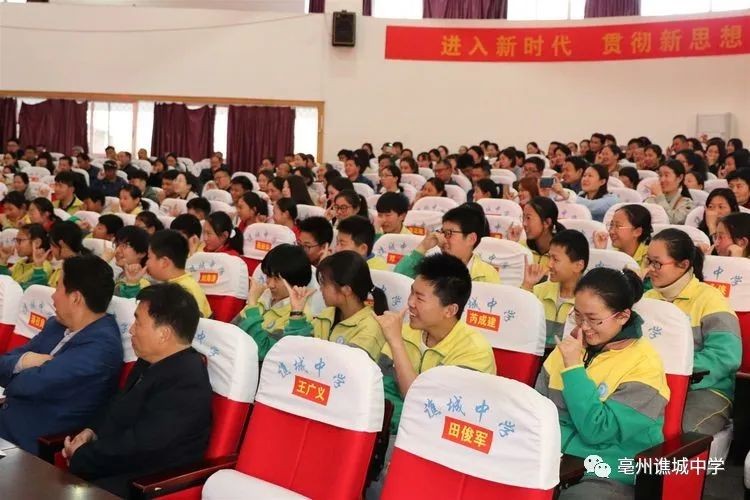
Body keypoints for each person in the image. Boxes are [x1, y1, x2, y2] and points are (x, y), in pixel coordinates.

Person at [65, 283, 211, 498]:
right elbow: (118, 405)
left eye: (138, 322)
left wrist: (82, 456)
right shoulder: (150, 360)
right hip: (115, 465)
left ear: (164, 334)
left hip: (144, 483)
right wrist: (91, 431)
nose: (131, 329)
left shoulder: (186, 382)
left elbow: (142, 446)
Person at [537, 268, 668, 499]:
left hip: (608, 472)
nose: (584, 327)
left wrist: (574, 369)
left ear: (623, 316)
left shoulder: (645, 365)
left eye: (594, 319)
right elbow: (537, 412)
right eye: (578, 316)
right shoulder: (567, 349)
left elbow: (597, 431)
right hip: (553, 461)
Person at [0, 254, 123, 453]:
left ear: (75, 298)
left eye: (58, 287)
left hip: (28, 446)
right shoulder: (56, 325)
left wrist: (15, 368)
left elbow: (31, 384)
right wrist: (24, 361)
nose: (52, 296)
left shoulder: (102, 348)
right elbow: (5, 361)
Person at [376, 253, 495, 434]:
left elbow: (428, 407)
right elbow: (382, 390)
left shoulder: (475, 351)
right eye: (411, 292)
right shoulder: (405, 331)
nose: (410, 302)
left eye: (419, 298)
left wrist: (396, 343)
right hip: (391, 429)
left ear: (450, 310)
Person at [644, 229, 740, 434]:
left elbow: (726, 356)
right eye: (648, 261)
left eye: (657, 263)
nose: (650, 269)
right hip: (651, 385)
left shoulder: (710, 299)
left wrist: (676, 372)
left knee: (674, 437)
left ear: (684, 264)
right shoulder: (647, 299)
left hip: (704, 390)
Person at [285, 251, 387, 362]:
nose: (321, 289)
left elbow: (346, 366)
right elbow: (298, 349)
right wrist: (297, 312)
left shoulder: (370, 328)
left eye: (324, 283)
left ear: (346, 290)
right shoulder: (327, 314)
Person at [232, 245, 313, 360]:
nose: (270, 284)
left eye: (277, 279)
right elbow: (231, 330)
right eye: (268, 276)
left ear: (295, 280)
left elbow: (264, 352)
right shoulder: (262, 297)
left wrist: (252, 305)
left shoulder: (300, 315)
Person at [395, 205, 500, 283]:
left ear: (471, 239)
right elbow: (399, 280)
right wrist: (422, 247)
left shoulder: (487, 275)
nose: (443, 239)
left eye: (449, 233)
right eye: (442, 232)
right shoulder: (433, 265)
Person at [523, 230, 589, 348]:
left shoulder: (589, 303)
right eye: (549, 257)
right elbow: (519, 325)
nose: (549, 264)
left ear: (578, 265)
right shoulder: (537, 291)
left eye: (555, 260)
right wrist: (527, 286)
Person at [127, 230, 212, 318]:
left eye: (149, 257)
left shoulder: (187, 291)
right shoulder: (170, 284)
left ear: (164, 262)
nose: (146, 263)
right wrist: (133, 283)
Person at [509, 196, 565, 270]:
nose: (524, 223)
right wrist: (513, 245)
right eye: (523, 218)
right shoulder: (521, 247)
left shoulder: (562, 255)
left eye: (528, 218)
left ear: (547, 222)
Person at [552, 164, 618, 222]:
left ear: (602, 182)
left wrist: (565, 194)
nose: (585, 179)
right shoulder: (581, 195)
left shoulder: (612, 200)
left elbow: (592, 206)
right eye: (584, 175)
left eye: (590, 176)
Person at [595, 204, 652, 270]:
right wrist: (601, 252)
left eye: (618, 226)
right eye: (611, 225)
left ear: (637, 232)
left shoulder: (650, 259)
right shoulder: (613, 254)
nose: (611, 231)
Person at [0, 223, 53, 289]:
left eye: (20, 240)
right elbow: (6, 281)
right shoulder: (21, 262)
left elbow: (25, 290)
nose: (16, 245)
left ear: (37, 243)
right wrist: (3, 260)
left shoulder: (43, 267)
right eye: (16, 240)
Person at [644, 160, 694, 225]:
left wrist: (659, 195)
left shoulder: (687, 203)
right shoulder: (652, 199)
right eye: (660, 175)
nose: (662, 180)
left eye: (666, 175)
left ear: (680, 178)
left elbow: (672, 221)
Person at [111, 226, 150, 298]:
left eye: (124, 246)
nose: (117, 250)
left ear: (141, 253)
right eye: (117, 245)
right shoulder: (121, 274)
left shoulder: (143, 282)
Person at [48, 221, 88, 287]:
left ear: (61, 243)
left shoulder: (74, 272)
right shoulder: (65, 265)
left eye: (52, 245)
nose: (51, 249)